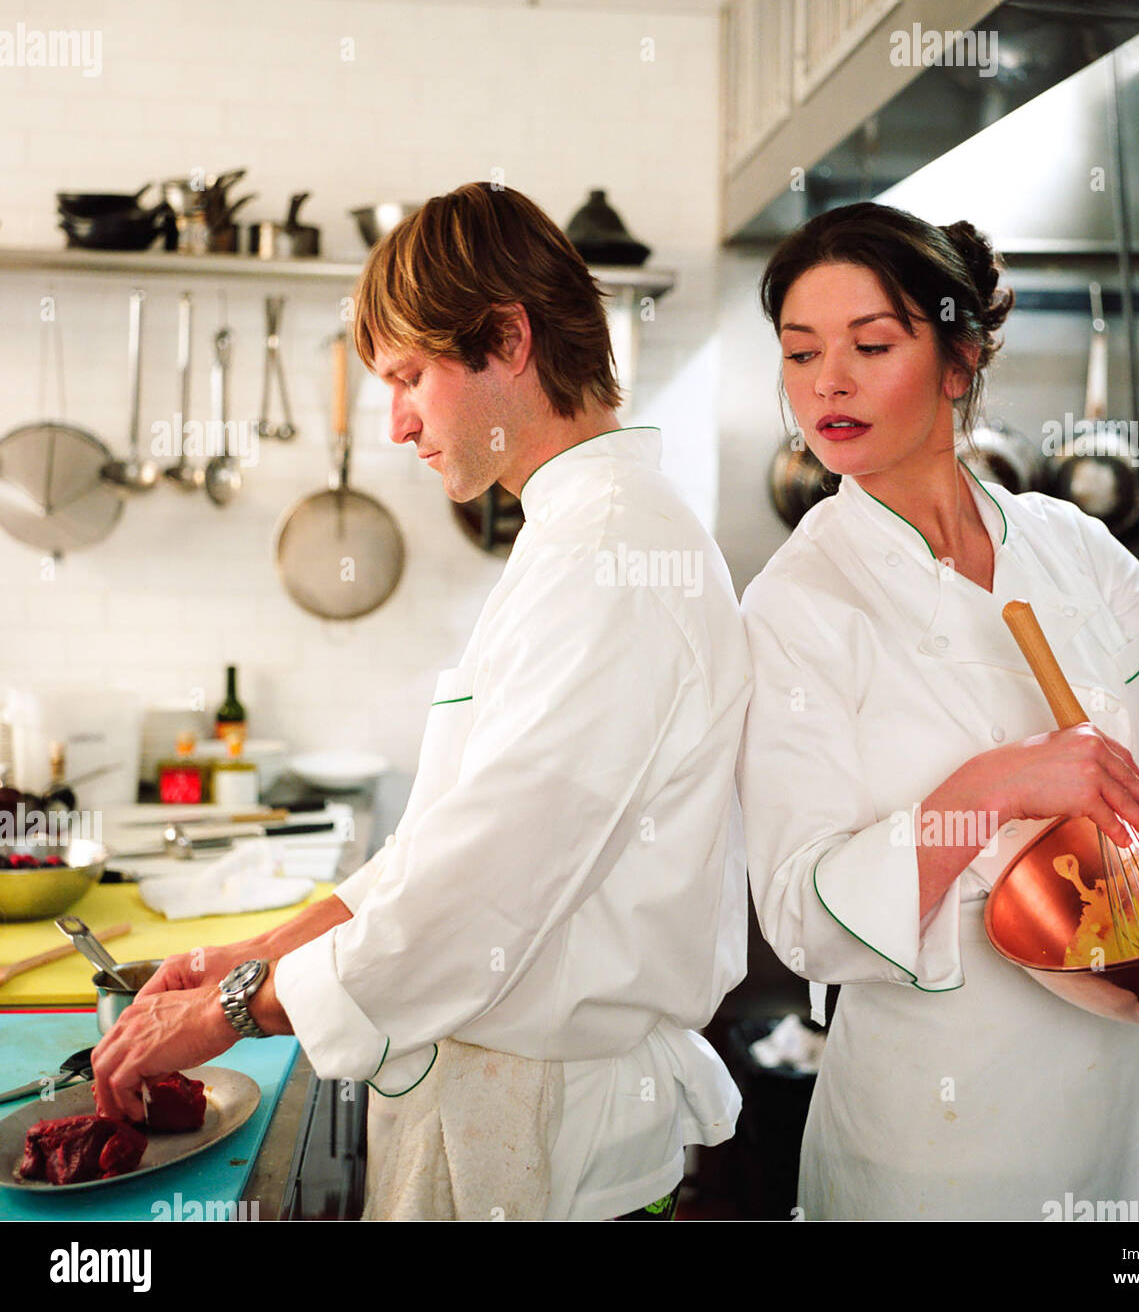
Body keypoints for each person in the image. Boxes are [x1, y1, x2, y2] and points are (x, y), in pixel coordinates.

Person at [93, 182, 751, 1222]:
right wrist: (256, 954)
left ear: (505, 337)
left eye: (408, 377)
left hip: (554, 1135)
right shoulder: (574, 536)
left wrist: (235, 1009)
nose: (395, 422)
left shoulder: (617, 554)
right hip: (514, 1106)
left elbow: (490, 879)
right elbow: (443, 844)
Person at [736, 200, 1139, 1221]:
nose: (827, 382)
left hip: (1118, 1115)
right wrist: (986, 788)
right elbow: (798, 918)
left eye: (870, 344)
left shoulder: (1066, 543)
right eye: (798, 352)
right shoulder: (798, 601)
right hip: (932, 1144)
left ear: (957, 365)